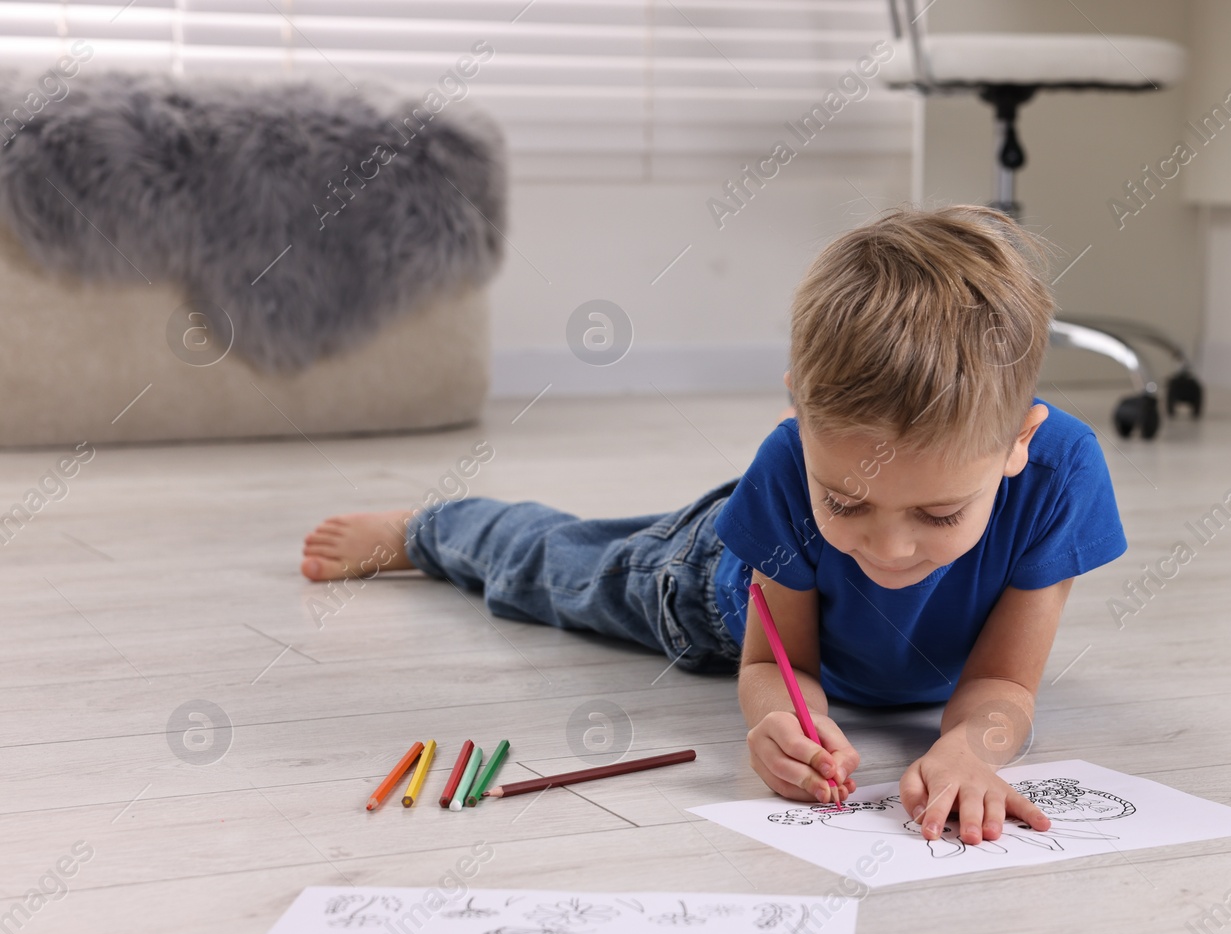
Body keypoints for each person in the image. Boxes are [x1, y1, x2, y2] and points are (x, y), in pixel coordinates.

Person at [300, 205, 1126, 846]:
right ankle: (431, 529)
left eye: (939, 513)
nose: (888, 547)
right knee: (556, 568)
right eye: (847, 501)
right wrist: (776, 719)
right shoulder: (785, 462)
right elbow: (780, 661)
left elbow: (1006, 688)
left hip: (804, 539)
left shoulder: (1062, 474)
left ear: (1019, 442)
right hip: (705, 589)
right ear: (797, 421)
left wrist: (970, 749)